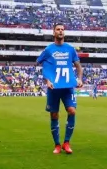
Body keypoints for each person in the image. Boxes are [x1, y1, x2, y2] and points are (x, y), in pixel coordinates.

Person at [36, 23, 83, 155]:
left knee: (72, 111)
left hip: (67, 87)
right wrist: (47, 80)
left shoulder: (70, 49)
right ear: (53, 33)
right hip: (54, 88)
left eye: (62, 30)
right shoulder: (48, 50)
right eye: (58, 29)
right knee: (54, 114)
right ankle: (57, 144)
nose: (61, 31)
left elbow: (78, 66)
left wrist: (79, 78)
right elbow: (40, 64)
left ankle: (66, 143)